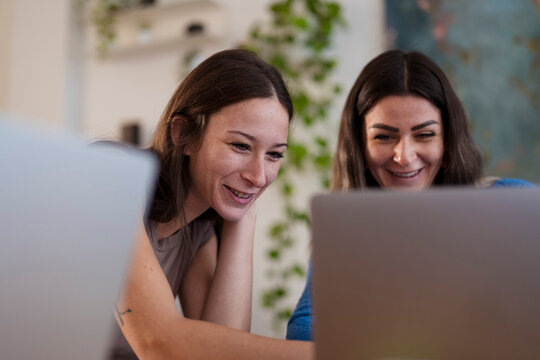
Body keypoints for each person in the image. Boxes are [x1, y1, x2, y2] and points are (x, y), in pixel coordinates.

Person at [286, 49, 535, 342]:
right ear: (360, 147)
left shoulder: (512, 205)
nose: (404, 156)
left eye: (425, 135)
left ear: (448, 141)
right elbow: (304, 331)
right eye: (384, 136)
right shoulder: (346, 230)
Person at [111, 49, 313, 359]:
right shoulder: (115, 174)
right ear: (184, 135)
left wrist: (244, 217)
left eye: (274, 155)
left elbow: (219, 352)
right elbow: (157, 342)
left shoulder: (199, 228)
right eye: (240, 145)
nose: (259, 176)